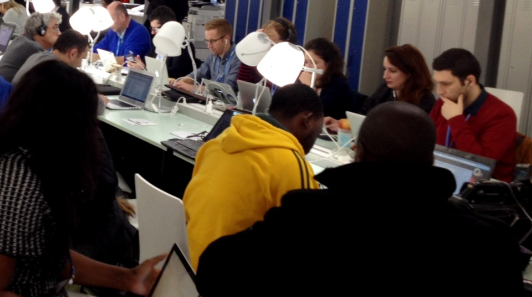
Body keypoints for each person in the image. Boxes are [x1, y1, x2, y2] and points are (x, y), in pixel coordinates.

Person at [195, 102, 524, 296]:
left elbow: (215, 270)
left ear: (359, 153)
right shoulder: (490, 246)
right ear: (430, 161)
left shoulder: (303, 216)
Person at [0, 62, 163, 297]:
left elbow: (47, 258)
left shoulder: (20, 160)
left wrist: (127, 278)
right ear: (72, 124)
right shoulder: (17, 188)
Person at [184, 84, 324, 270]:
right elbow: (304, 243)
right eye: (318, 130)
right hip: (223, 277)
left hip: (187, 263)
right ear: (306, 121)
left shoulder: (219, 142)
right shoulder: (291, 165)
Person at [431, 48, 516, 181]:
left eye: (445, 84)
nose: (439, 91)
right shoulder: (444, 103)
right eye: (438, 83)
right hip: (443, 179)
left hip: (483, 188)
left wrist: (455, 120)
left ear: (470, 81)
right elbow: (425, 142)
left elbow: (481, 165)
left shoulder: (502, 115)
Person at [326, 44, 435, 132]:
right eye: (385, 69)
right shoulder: (385, 89)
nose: (385, 76)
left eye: (392, 71)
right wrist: (342, 124)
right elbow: (364, 115)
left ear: (410, 73)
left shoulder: (425, 102)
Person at [0, 11, 62, 87]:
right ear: (41, 30)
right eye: (55, 28)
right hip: (6, 93)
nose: (59, 33)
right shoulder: (34, 49)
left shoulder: (20, 40)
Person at [172, 18, 240, 93]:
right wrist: (180, 82)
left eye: (213, 41)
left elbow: (227, 89)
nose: (209, 46)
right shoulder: (213, 56)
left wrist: (192, 88)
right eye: (207, 41)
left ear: (226, 39)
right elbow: (198, 74)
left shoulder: (238, 58)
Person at [127, 5, 196, 79]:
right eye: (152, 28)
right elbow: (147, 61)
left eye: (155, 29)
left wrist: (145, 69)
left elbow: (174, 73)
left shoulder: (182, 45)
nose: (152, 32)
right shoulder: (158, 40)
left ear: (167, 26)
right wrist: (139, 64)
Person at [302, 37, 357, 120]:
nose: (308, 66)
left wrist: (308, 88)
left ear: (328, 64)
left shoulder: (338, 86)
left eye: (314, 62)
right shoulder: (303, 80)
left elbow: (315, 115)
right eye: (306, 62)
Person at [237, 17, 296, 84]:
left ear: (286, 41)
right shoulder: (260, 57)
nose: (268, 47)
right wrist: (251, 50)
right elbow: (242, 82)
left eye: (271, 43)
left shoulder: (291, 66)